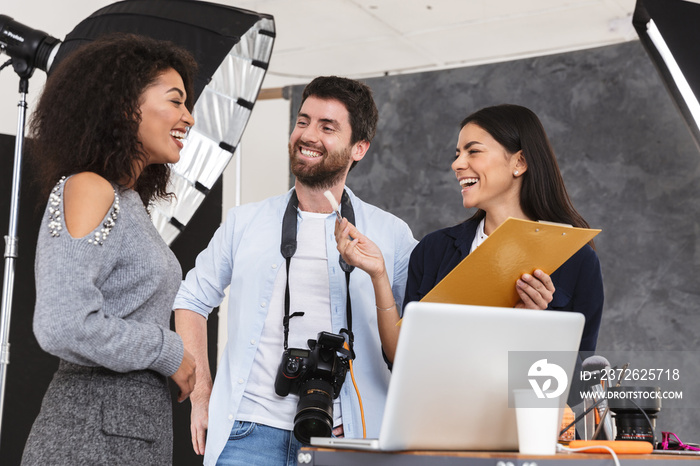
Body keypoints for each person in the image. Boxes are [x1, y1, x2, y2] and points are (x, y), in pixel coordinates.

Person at [173, 76, 417, 465]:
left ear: (360, 148)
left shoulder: (391, 234)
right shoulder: (244, 222)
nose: (308, 135)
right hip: (246, 433)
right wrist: (202, 394)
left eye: (327, 126)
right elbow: (191, 299)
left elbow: (415, 340)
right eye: (303, 121)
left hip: (347, 437)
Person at [21, 34, 198, 465]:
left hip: (124, 438)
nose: (188, 118)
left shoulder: (126, 199)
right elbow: (62, 323)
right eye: (175, 101)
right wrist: (168, 350)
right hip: (90, 441)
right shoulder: (90, 187)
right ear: (124, 105)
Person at [335, 104, 603, 361]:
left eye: (473, 151)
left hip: (519, 409)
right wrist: (379, 274)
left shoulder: (576, 261)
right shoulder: (433, 251)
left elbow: (575, 385)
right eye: (457, 154)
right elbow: (403, 359)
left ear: (519, 162)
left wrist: (533, 330)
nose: (457, 164)